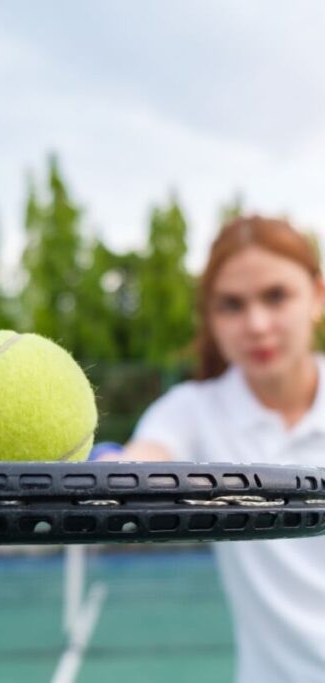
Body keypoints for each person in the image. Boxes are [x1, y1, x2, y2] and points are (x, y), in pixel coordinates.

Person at [122, 216, 325, 682]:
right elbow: (138, 464)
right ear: (211, 320)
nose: (256, 324)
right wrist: (108, 470)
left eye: (276, 296)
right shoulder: (193, 410)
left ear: (317, 295)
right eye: (231, 305)